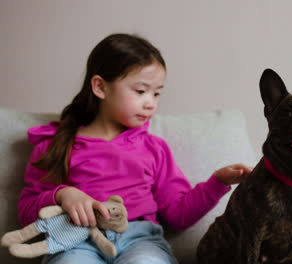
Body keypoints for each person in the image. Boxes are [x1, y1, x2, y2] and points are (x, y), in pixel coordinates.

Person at [18, 33, 253, 264]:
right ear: (100, 87)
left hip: (140, 240)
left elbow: (178, 215)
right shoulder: (56, 143)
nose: (151, 103)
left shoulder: (154, 148)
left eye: (157, 93)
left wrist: (218, 182)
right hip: (76, 239)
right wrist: (62, 195)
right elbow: (27, 211)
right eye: (140, 91)